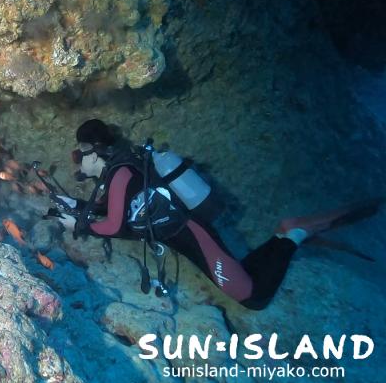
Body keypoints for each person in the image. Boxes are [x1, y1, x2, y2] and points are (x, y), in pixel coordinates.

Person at [49, 119, 382, 310]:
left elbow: (112, 224)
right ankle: (284, 235)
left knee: (252, 298)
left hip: (195, 236)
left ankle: (293, 234)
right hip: (187, 236)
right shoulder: (118, 175)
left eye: (80, 154)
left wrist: (81, 226)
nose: (78, 161)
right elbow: (111, 214)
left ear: (96, 152)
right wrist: (68, 204)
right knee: (243, 273)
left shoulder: (120, 174)